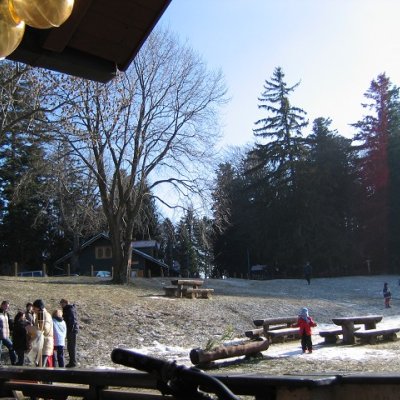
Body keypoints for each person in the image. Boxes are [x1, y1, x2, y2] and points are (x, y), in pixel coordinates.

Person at [32, 299, 54, 367]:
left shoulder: (43, 314)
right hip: (41, 344)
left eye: (34, 308)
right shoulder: (41, 314)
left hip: (44, 344)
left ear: (38, 307)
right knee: (39, 365)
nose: (33, 310)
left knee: (41, 367)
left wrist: (32, 329)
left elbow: (45, 329)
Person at [60, 299, 79, 368]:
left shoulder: (69, 309)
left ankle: (73, 362)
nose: (61, 305)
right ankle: (72, 361)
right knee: (70, 346)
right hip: (71, 330)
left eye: (62, 303)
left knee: (71, 347)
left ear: (65, 303)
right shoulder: (69, 309)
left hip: (71, 331)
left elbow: (72, 321)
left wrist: (70, 330)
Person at [0, 300, 17, 365]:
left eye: (7, 307)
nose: (7, 308)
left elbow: (10, 323)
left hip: (5, 335)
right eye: (6, 306)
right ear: (2, 305)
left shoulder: (6, 314)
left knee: (12, 347)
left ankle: (14, 363)